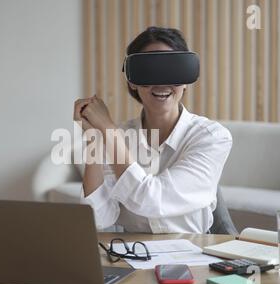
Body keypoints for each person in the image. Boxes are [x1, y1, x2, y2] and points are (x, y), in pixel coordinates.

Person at [73, 26, 232, 234]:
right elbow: (97, 219)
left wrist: (109, 131)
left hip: (191, 254)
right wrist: (94, 136)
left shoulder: (212, 137)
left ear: (185, 81)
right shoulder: (117, 137)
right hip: (133, 255)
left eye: (171, 70)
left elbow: (152, 199)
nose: (161, 82)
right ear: (132, 81)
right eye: (149, 72)